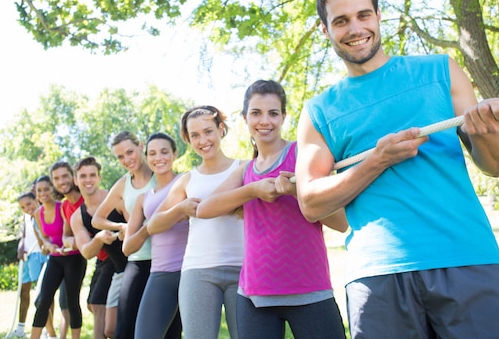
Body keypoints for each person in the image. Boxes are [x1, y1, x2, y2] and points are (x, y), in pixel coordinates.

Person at [294, 0, 499, 339]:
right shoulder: (319, 110)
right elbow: (310, 202)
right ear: (325, 30)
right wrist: (377, 160)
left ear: (378, 16)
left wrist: (485, 131)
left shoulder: (440, 70)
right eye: (341, 21)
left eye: (363, 15)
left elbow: (496, 164)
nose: (355, 28)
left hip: (467, 256)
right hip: (376, 275)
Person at [196, 80, 348, 339]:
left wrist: (296, 192)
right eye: (256, 113)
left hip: (308, 290)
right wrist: (252, 190)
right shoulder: (246, 170)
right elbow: (205, 209)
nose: (264, 121)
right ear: (245, 118)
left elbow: (341, 222)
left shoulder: (302, 155)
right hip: (254, 296)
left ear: (284, 117)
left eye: (273, 113)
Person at [147, 106, 243, 339]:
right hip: (198, 271)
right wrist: (180, 208)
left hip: (243, 268)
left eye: (208, 131)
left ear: (221, 130)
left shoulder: (244, 167)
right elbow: (153, 225)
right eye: (195, 135)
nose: (203, 140)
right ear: (188, 140)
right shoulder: (188, 180)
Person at [92, 131, 164, 339]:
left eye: (130, 152)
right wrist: (122, 226)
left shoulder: (159, 173)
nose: (127, 160)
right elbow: (98, 219)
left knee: (165, 328)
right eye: (120, 157)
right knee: (123, 329)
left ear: (141, 147)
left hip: (165, 260)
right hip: (136, 258)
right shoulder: (124, 183)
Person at [123, 133, 186, 339]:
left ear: (175, 154)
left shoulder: (188, 182)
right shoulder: (143, 199)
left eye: (164, 152)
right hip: (160, 274)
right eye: (152, 153)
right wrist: (148, 228)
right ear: (146, 157)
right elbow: (128, 247)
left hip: (191, 271)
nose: (158, 158)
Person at [71, 156, 125, 339]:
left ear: (99, 178)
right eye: (83, 176)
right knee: (106, 323)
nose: (88, 180)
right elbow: (86, 251)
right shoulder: (78, 217)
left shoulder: (116, 198)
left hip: (136, 261)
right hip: (115, 265)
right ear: (76, 181)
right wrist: (99, 238)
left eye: (92, 175)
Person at [31, 175, 87, 339]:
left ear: (53, 189)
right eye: (39, 190)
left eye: (46, 189)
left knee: (72, 302)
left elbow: (70, 231)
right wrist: (49, 246)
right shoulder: (37, 213)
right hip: (55, 259)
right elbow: (45, 239)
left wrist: (67, 245)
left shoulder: (62, 206)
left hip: (74, 258)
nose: (43, 193)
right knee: (43, 301)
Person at [10, 192, 57, 339]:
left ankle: (49, 332)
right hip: (31, 256)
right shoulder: (29, 216)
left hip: (44, 255)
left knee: (43, 296)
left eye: (28, 204)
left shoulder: (44, 213)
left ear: (36, 200)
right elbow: (28, 235)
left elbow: (45, 238)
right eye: (23, 207)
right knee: (40, 296)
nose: (26, 208)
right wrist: (21, 249)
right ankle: (47, 332)